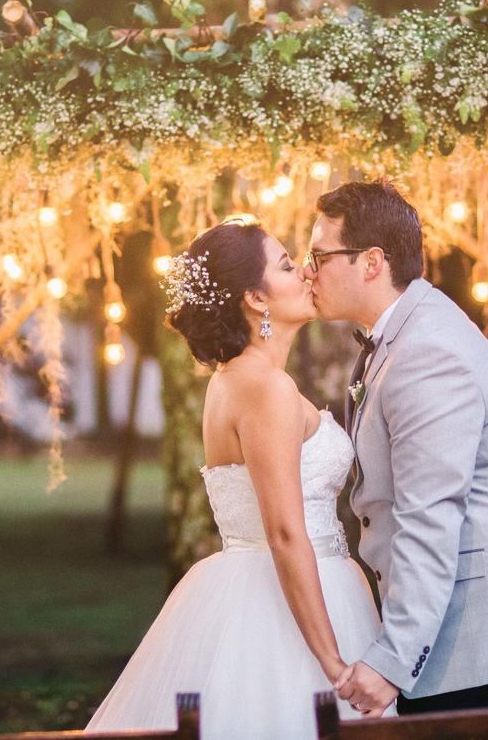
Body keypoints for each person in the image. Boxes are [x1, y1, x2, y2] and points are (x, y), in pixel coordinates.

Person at [85, 215, 393, 739]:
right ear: (255, 298)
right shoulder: (263, 387)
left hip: (281, 584)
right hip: (285, 604)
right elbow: (285, 531)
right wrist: (333, 665)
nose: (306, 275)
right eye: (288, 265)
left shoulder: (237, 379)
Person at [305, 180, 488, 717]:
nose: (310, 270)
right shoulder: (398, 337)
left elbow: (430, 516)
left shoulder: (427, 351)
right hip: (462, 641)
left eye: (320, 255)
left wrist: (392, 659)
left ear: (371, 262)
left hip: (487, 647)